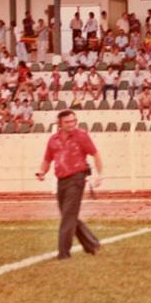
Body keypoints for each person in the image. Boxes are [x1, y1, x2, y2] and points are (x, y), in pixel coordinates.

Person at [36, 110, 102, 260]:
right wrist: (41, 171)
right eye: (67, 122)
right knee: (69, 215)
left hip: (77, 179)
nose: (72, 124)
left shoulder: (82, 136)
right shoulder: (53, 140)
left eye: (73, 121)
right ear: (59, 124)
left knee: (67, 217)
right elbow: (47, 159)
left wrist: (99, 174)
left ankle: (64, 253)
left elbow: (95, 154)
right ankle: (92, 243)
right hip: (61, 180)